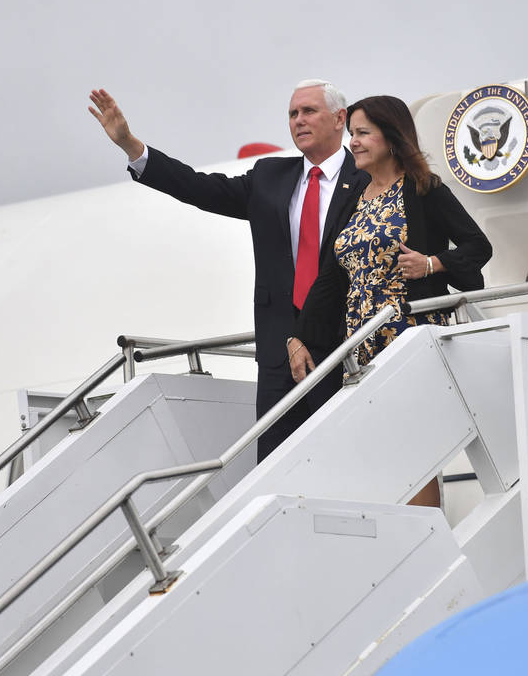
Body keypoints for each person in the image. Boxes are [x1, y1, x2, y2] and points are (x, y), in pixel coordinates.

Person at [88, 81, 369, 463]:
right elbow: (199, 188)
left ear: (340, 119)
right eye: (292, 113)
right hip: (279, 353)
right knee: (275, 470)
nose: (298, 121)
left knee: (351, 462)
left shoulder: (368, 175)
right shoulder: (271, 176)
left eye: (309, 111)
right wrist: (132, 147)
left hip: (346, 345)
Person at [287, 95, 492, 506]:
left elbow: (477, 245)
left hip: (407, 339)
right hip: (361, 348)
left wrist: (433, 263)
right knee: (382, 456)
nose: (354, 143)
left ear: (392, 138)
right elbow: (330, 276)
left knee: (411, 452)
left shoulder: (423, 188)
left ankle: (428, 543)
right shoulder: (355, 196)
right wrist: (298, 337)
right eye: (352, 134)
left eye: (363, 133)